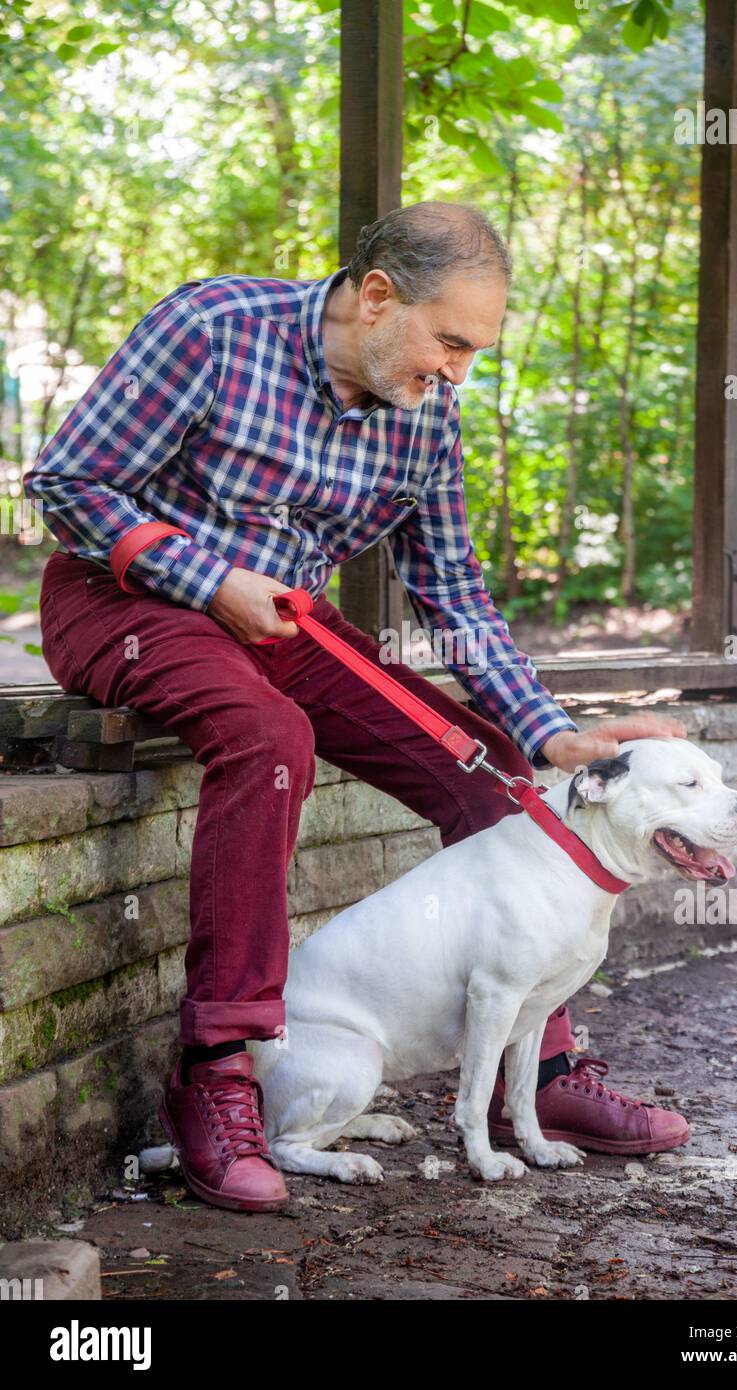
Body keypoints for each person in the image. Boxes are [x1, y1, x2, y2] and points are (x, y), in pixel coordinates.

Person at [25, 200, 689, 1213]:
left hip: (287, 619)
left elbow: (454, 593)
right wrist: (207, 580)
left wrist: (549, 731)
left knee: (498, 777)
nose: (457, 371)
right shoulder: (212, 328)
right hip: (125, 598)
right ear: (375, 295)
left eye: (475, 350)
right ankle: (216, 1078)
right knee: (267, 734)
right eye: (450, 341)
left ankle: (540, 1074)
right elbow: (68, 482)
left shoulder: (425, 412)